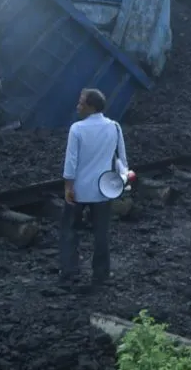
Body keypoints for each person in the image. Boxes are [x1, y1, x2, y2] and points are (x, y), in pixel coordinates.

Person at [59, 88, 129, 287]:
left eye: (81, 102)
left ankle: (69, 271)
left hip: (79, 190)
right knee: (101, 233)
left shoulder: (77, 129)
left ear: (91, 106)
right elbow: (122, 159)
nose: (78, 106)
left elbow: (71, 162)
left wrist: (68, 187)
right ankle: (101, 273)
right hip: (104, 190)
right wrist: (121, 181)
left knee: (70, 231)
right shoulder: (114, 127)